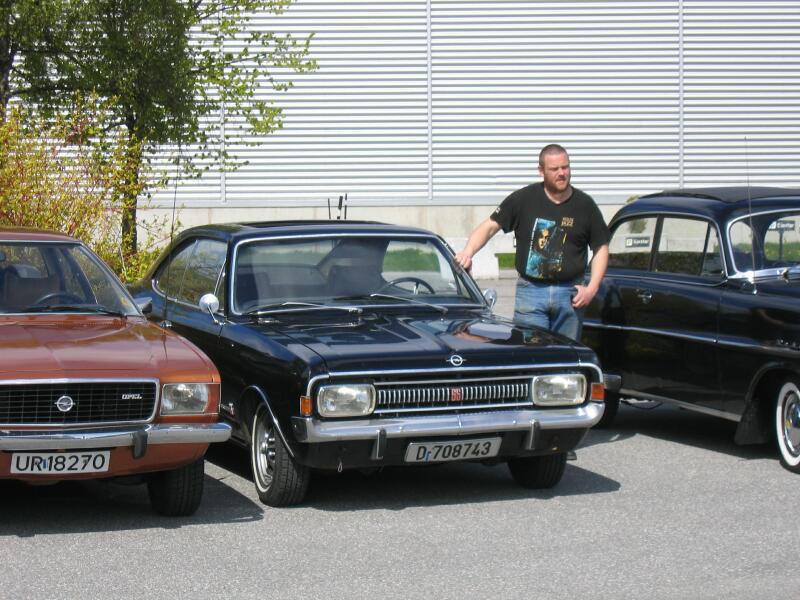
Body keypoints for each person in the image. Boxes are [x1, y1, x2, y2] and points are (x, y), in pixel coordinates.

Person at [454, 144, 610, 340]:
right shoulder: (523, 199)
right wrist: (468, 252)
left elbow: (601, 248)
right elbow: (490, 226)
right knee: (531, 351)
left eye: (565, 167)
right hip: (531, 293)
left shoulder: (585, 205)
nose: (562, 173)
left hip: (570, 296)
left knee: (566, 355)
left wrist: (591, 289)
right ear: (541, 171)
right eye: (554, 169)